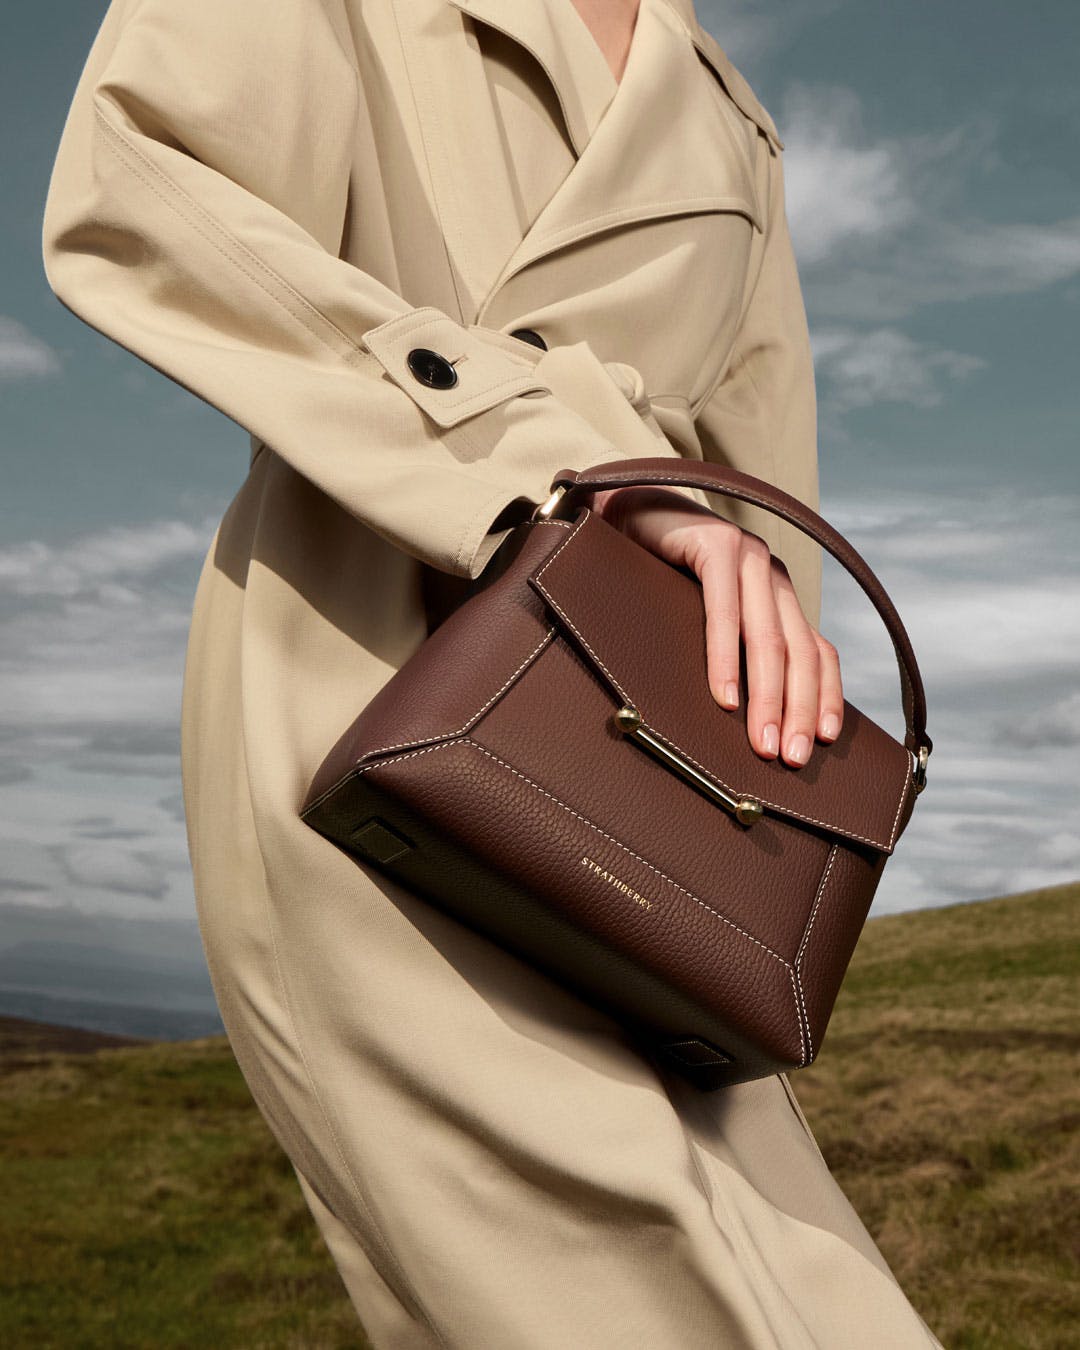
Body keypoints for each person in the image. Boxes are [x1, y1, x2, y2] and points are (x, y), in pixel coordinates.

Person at [42, 0, 945, 1344]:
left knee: (818, 1297)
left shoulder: (730, 122)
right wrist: (556, 455)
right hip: (371, 704)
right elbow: (139, 186)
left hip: (648, 795)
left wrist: (756, 803)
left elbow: (755, 490)